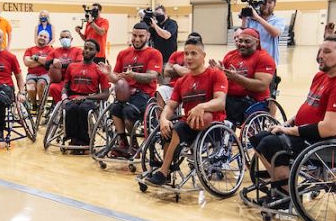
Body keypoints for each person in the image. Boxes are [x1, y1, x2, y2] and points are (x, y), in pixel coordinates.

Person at [248, 37, 336, 196]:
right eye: (320, 50)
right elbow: (310, 106)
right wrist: (288, 123)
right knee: (258, 138)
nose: (320, 55)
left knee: (270, 143)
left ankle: (286, 193)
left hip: (328, 144)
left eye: (327, 51)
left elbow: (328, 129)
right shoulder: (321, 76)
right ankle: (281, 183)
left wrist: (289, 131)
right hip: (307, 135)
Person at [141, 36, 227, 187]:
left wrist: (202, 106)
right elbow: (170, 106)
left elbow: (220, 102)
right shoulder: (182, 81)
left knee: (180, 128)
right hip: (188, 125)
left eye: (194, 53)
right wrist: (163, 119)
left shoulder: (215, 74)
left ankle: (163, 171)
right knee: (168, 129)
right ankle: (166, 170)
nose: (189, 57)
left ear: (203, 56)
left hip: (211, 126)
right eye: (186, 53)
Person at [104, 22, 163, 157]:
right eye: (134, 35)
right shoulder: (123, 53)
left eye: (141, 36)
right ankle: (123, 142)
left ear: (148, 36)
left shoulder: (155, 53)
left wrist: (133, 75)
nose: (137, 39)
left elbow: (152, 76)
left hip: (144, 95)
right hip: (125, 93)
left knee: (128, 110)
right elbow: (116, 78)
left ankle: (134, 144)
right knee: (114, 108)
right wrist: (108, 73)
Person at [214, 28, 276, 125]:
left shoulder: (264, 58)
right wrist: (218, 72)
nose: (242, 44)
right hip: (230, 99)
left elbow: (262, 85)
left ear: (257, 42)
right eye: (240, 41)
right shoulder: (230, 55)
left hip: (252, 101)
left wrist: (237, 78)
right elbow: (223, 79)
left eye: (247, 41)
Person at [61, 39, 111, 150]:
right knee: (70, 108)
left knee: (83, 109)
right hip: (73, 97)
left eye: (91, 49)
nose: (87, 51)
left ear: (96, 52)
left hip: (90, 98)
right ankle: (72, 138)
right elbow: (65, 87)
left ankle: (84, 141)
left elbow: (106, 94)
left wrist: (86, 97)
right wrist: (64, 98)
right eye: (86, 48)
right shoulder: (72, 66)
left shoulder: (99, 69)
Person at [241, 0, 286, 68]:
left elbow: (275, 33)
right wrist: (244, 18)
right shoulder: (251, 19)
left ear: (274, 5)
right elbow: (242, 34)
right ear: (259, 4)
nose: (266, 5)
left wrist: (257, 18)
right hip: (251, 60)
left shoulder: (278, 20)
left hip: (269, 60)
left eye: (270, 2)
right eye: (264, 2)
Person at [22, 31, 55, 114]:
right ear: (37, 37)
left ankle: (41, 105)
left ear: (48, 40)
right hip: (31, 75)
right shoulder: (30, 49)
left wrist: (35, 58)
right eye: (41, 35)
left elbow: (49, 62)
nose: (42, 38)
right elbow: (27, 63)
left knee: (41, 84)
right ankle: (34, 104)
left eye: (45, 37)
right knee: (30, 85)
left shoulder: (51, 50)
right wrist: (42, 61)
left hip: (45, 74)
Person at [48, 30, 84, 104]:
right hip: (60, 80)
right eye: (62, 37)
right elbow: (46, 63)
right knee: (53, 87)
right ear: (60, 40)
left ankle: (71, 106)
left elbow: (78, 64)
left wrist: (61, 65)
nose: (65, 39)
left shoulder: (78, 50)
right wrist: (52, 61)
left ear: (71, 39)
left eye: (67, 37)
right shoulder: (55, 51)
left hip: (74, 80)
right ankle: (61, 106)